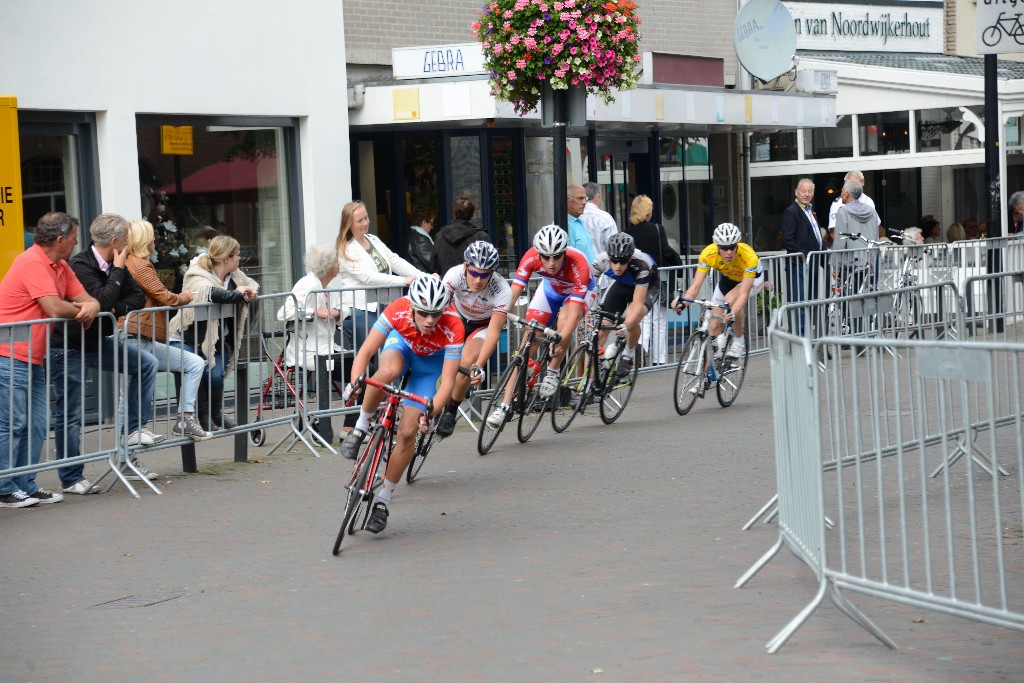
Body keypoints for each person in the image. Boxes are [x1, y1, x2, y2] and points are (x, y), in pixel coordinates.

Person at [340, 276, 464, 534]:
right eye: (423, 313)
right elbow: (365, 352)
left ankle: (384, 500)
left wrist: (429, 413)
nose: (430, 320)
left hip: (429, 368)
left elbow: (447, 383)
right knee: (386, 372)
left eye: (435, 314)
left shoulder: (453, 325)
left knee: (407, 433)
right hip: (402, 348)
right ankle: (360, 428)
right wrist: (355, 384)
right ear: (412, 308)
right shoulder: (397, 308)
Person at [56, 213, 162, 487]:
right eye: (126, 240)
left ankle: (132, 433)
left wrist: (111, 307)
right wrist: (113, 285)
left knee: (146, 363)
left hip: (97, 340)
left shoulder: (118, 265)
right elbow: (100, 304)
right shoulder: (80, 265)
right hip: (69, 347)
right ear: (115, 242)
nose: (129, 245)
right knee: (71, 414)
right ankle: (71, 478)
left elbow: (136, 297)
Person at [0, 212, 99, 507]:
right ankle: (4, 486)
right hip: (9, 354)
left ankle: (25, 484)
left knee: (37, 424)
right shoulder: (32, 262)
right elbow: (55, 306)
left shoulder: (61, 265)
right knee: (13, 423)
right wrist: (83, 310)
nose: (77, 242)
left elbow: (88, 298)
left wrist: (90, 306)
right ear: (60, 240)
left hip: (33, 356)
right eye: (73, 238)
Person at [486, 225, 597, 427]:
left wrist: (562, 338)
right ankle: (503, 406)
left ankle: (552, 372)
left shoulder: (578, 263)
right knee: (527, 341)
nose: (551, 263)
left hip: (578, 294)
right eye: (545, 257)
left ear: (564, 252)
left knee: (564, 323)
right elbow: (513, 294)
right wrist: (498, 319)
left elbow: (573, 315)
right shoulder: (530, 256)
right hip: (550, 291)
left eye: (556, 257)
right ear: (539, 254)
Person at [124, 219, 211, 441]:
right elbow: (163, 295)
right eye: (152, 236)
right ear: (144, 240)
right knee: (128, 397)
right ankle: (129, 450)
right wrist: (185, 297)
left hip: (144, 336)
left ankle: (185, 419)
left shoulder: (132, 263)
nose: (155, 239)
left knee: (194, 363)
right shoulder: (139, 265)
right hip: (136, 336)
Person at [168, 235, 259, 431]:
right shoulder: (197, 274)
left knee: (215, 376)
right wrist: (239, 294)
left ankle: (216, 414)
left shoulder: (234, 276)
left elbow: (250, 285)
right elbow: (212, 293)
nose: (240, 258)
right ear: (226, 258)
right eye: (237, 255)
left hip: (218, 341)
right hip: (189, 338)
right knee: (198, 369)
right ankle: (203, 417)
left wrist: (249, 292)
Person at [435, 240, 511, 437]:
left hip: (482, 326)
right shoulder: (454, 275)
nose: (478, 280)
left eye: (484, 275)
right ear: (465, 266)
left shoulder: (502, 290)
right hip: (457, 318)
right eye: (474, 273)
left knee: (467, 362)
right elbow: (439, 308)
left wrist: (479, 365)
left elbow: (494, 332)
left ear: (492, 273)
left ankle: (451, 410)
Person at [336, 200, 424, 352]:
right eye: (360, 220)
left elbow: (395, 261)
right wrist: (403, 281)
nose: (366, 222)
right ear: (349, 224)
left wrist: (422, 276)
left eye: (366, 218)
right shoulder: (346, 250)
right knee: (375, 353)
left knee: (392, 349)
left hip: (383, 304)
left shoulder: (373, 239)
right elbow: (368, 277)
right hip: (361, 310)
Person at [671, 222, 764, 361]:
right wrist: (683, 302)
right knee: (714, 325)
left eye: (732, 247)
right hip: (728, 279)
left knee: (730, 299)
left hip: (752, 280)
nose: (729, 252)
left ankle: (739, 341)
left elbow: (743, 293)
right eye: (724, 248)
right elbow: (695, 287)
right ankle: (707, 377)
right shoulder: (708, 254)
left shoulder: (749, 256)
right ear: (717, 247)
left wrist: (732, 313)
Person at [278, 245, 349, 395]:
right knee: (364, 370)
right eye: (337, 261)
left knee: (365, 369)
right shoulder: (306, 284)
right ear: (328, 266)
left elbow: (345, 307)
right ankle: (353, 416)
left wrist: (336, 311)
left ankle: (354, 415)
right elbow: (284, 313)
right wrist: (314, 312)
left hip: (326, 348)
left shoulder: (328, 286)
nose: (340, 264)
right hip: (308, 351)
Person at [592, 232, 658, 379]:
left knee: (631, 320)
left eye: (622, 262)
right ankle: (589, 383)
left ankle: (628, 355)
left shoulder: (641, 264)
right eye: (614, 261)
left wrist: (626, 324)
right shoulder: (601, 260)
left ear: (630, 257)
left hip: (647, 286)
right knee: (601, 329)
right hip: (622, 285)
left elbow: (637, 302)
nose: (618, 266)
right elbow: (588, 290)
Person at [624, 195, 681, 365]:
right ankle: (659, 359)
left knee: (642, 317)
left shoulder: (627, 232)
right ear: (647, 212)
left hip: (636, 280)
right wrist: (678, 260)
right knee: (659, 319)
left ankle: (641, 352)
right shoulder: (657, 229)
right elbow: (666, 251)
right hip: (657, 278)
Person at [780, 178, 823, 335]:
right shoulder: (791, 212)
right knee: (800, 303)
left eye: (809, 191)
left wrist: (824, 258)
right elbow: (788, 240)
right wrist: (804, 257)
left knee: (811, 301)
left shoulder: (810, 211)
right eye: (803, 191)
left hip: (812, 264)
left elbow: (817, 236)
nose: (806, 194)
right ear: (796, 192)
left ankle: (810, 338)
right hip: (799, 264)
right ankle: (801, 340)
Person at [831, 180, 881, 292]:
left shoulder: (843, 211)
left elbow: (840, 242)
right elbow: (875, 237)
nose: (841, 193)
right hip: (868, 262)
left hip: (849, 264)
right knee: (865, 295)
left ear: (848, 193)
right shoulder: (872, 211)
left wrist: (836, 267)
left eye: (843, 190)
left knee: (848, 297)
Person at [430, 194, 490, 275]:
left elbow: (434, 267)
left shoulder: (440, 236)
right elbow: (489, 267)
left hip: (448, 285)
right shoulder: (481, 237)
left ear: (454, 212)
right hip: (475, 285)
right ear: (472, 215)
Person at [582, 182, 618, 256]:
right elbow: (614, 248)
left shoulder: (573, 217)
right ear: (597, 197)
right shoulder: (606, 218)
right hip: (601, 265)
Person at [566, 183, 596, 265]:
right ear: (567, 200)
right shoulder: (565, 225)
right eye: (580, 198)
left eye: (585, 198)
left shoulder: (579, 221)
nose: (584, 202)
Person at [404, 205, 435, 273]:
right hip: (423, 279)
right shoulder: (420, 240)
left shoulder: (409, 235)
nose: (432, 227)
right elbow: (434, 264)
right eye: (431, 224)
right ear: (424, 222)